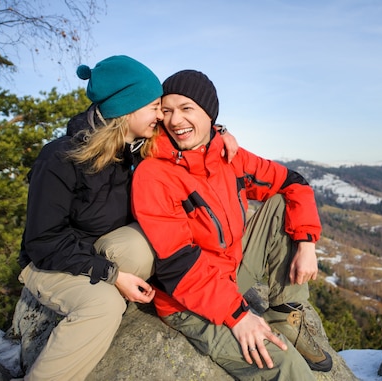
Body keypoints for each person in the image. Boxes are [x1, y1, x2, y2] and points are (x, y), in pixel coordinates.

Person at [17, 56, 239, 381]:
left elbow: (189, 133)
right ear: (127, 108)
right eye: (154, 106)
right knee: (103, 306)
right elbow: (43, 242)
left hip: (101, 254)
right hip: (51, 262)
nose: (162, 115)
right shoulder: (60, 159)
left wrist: (220, 134)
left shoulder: (136, 148)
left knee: (161, 238)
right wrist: (112, 276)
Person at [131, 69, 333, 380]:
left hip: (231, 270)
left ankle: (285, 315)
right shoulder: (153, 174)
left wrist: (306, 243)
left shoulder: (225, 154)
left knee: (281, 203)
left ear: (209, 115)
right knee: (286, 367)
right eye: (167, 111)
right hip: (188, 300)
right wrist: (238, 316)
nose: (174, 120)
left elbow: (293, 182)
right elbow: (176, 265)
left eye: (187, 109)